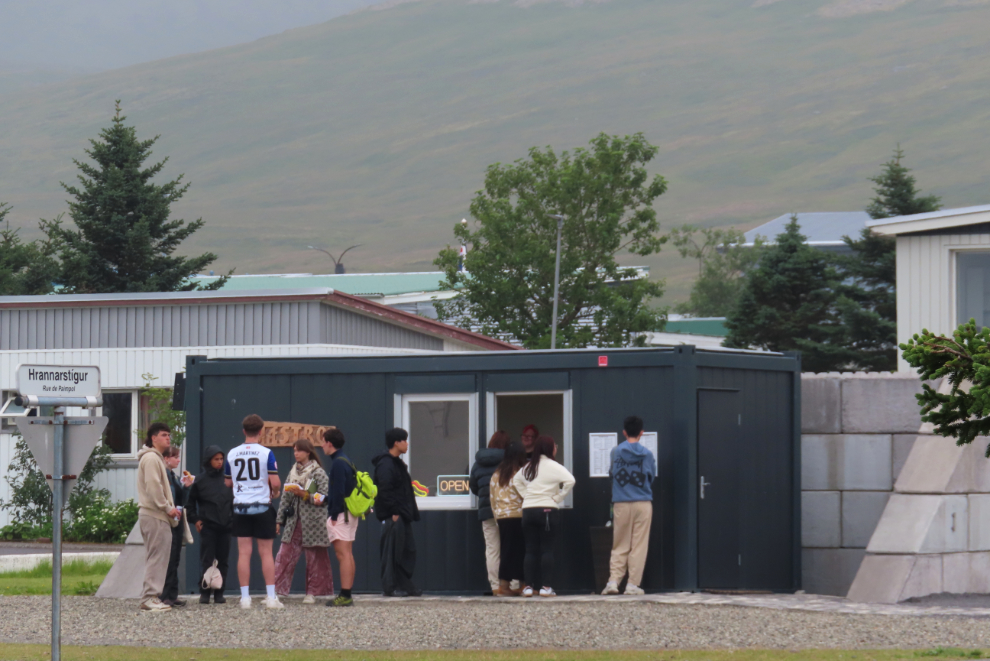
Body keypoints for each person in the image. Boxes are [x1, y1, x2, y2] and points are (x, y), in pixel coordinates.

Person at [225, 413, 283, 609]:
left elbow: (227, 481)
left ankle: (245, 598)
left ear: (243, 431)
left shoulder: (232, 453)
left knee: (244, 553)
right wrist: (274, 492)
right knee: (266, 553)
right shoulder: (266, 453)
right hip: (262, 505)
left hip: (240, 507)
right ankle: (271, 596)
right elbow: (275, 482)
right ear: (261, 431)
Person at [512, 434, 575, 598]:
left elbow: (516, 481)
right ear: (550, 448)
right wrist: (559, 498)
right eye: (555, 445)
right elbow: (571, 480)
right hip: (548, 510)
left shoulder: (528, 466)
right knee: (547, 549)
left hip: (528, 510)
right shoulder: (554, 466)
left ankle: (528, 587)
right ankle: (546, 587)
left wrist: (527, 495)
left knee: (530, 549)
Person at [603, 415, 656, 596]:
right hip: (643, 502)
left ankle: (613, 581)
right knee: (639, 544)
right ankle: (632, 584)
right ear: (642, 433)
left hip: (621, 503)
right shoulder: (648, 454)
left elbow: (611, 474)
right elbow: (651, 477)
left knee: (620, 543)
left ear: (624, 432)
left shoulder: (615, 452)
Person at [274, 438, 332, 603]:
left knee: (314, 557)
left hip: (314, 521)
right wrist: (279, 520)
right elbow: (285, 497)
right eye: (294, 451)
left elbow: (325, 497)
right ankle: (276, 591)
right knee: (284, 555)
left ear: (308, 452)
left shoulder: (318, 472)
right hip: (294, 520)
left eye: (299, 450)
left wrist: (304, 495)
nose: (296, 454)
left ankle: (313, 593)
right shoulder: (293, 472)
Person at [372, 427, 421, 597]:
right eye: (404, 440)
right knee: (392, 551)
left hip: (402, 514)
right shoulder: (386, 464)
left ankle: (404, 586)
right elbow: (385, 489)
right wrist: (393, 512)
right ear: (396, 443)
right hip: (394, 515)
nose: (407, 444)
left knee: (407, 551)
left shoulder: (396, 463)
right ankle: (390, 587)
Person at [136, 422, 179, 612]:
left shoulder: (156, 458)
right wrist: (167, 507)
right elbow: (154, 486)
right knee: (157, 556)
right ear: (153, 438)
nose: (168, 438)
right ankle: (150, 597)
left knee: (157, 556)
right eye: (163, 434)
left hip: (154, 514)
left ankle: (151, 596)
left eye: (168, 434)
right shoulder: (152, 458)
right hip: (155, 514)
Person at [186, 444, 233, 604]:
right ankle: (205, 592)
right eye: (216, 459)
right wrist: (196, 520)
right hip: (208, 527)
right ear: (209, 461)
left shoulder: (228, 479)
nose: (220, 462)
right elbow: (190, 504)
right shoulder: (200, 481)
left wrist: (233, 519)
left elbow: (235, 501)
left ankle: (219, 592)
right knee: (207, 559)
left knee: (223, 560)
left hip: (226, 527)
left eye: (221, 459)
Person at [469, 430, 509, 595]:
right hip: (507, 511)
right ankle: (510, 585)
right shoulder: (509, 461)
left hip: (486, 511)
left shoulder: (478, 462)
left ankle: (495, 586)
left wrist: (485, 497)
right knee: (509, 548)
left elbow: (473, 486)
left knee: (492, 549)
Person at [323, 427, 358, 607]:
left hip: (341, 514)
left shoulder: (337, 463)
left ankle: (345, 595)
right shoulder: (347, 460)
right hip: (350, 512)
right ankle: (347, 593)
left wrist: (333, 513)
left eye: (323, 442)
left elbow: (339, 490)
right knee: (348, 553)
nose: (322, 446)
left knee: (342, 554)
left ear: (329, 443)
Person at [489, 440, 527, 596]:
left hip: (502, 517)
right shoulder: (520, 473)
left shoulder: (496, 474)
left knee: (506, 552)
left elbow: (492, 498)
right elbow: (525, 495)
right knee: (523, 551)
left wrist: (497, 516)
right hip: (519, 515)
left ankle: (503, 586)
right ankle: (525, 584)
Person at [159, 445, 193, 607]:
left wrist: (186, 487)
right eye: (175, 457)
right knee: (169, 558)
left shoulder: (173, 476)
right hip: (168, 519)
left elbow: (181, 500)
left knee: (176, 557)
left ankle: (172, 594)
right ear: (166, 458)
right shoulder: (164, 476)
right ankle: (164, 595)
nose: (178, 460)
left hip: (178, 518)